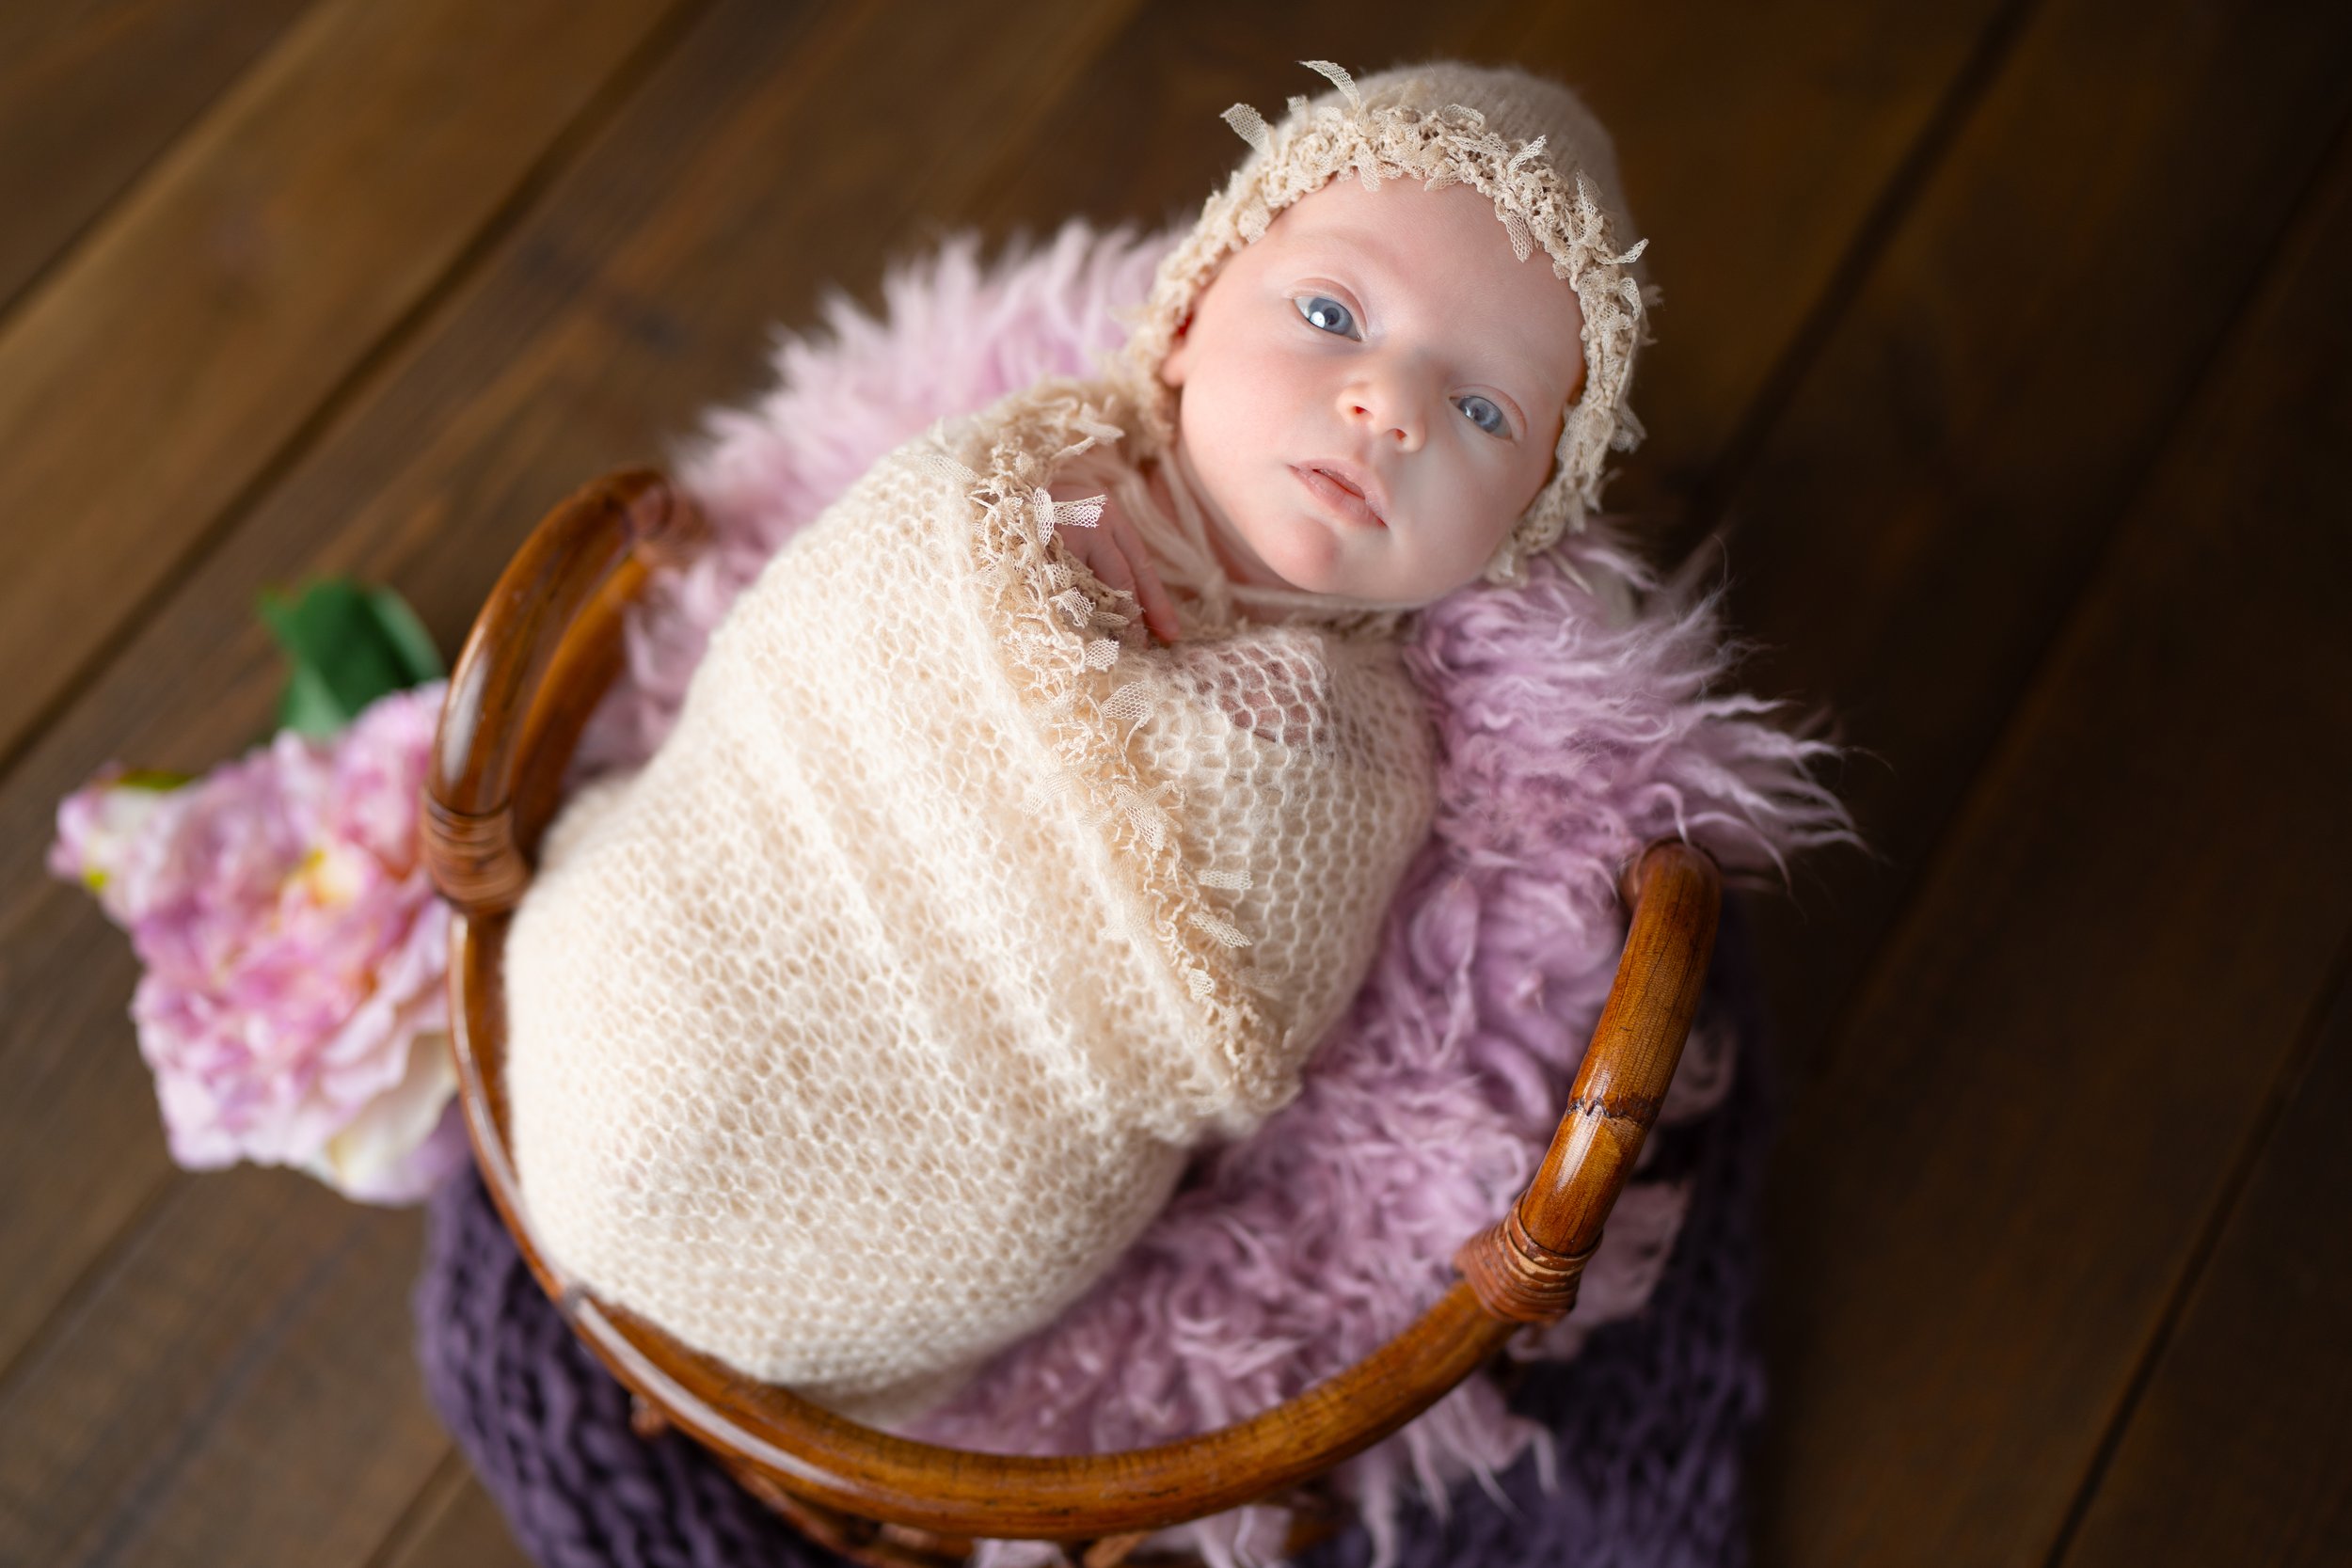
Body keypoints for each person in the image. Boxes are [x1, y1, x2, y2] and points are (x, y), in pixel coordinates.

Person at [500, 58, 1653, 1421]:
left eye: (1482, 411)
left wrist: (1193, 724)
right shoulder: (1036, 473)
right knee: (644, 1024)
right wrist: (1048, 589)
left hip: (967, 1172)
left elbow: (1246, 1016)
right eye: (1333, 313)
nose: (1389, 406)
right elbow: (844, 606)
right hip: (694, 923)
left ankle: (782, 1339)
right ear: (1188, 317)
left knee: (1001, 1219)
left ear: (1525, 518)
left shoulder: (1362, 743)